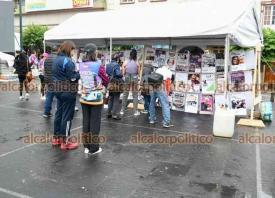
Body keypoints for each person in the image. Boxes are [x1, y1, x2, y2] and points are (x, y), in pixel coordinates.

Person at [52, 41, 80, 150]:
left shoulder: (56, 59)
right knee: (67, 116)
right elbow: (72, 77)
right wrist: (79, 74)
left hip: (57, 90)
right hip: (68, 91)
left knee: (59, 113)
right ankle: (65, 141)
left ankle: (56, 138)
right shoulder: (68, 61)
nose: (74, 52)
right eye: (73, 49)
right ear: (69, 49)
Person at [79, 43, 106, 155]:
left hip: (84, 97)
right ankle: (94, 148)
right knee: (95, 122)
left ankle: (86, 146)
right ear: (94, 52)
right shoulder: (98, 65)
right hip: (96, 98)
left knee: (86, 121)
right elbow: (105, 79)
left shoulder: (80, 65)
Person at [121, 49, 140, 116]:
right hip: (134, 77)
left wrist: (124, 75)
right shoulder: (137, 62)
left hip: (127, 77)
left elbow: (123, 70)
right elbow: (138, 72)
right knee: (135, 95)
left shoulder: (126, 61)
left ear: (130, 54)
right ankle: (135, 111)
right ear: (136, 55)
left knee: (125, 94)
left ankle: (122, 110)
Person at [106, 53, 123, 120]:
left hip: (110, 83)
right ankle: (114, 115)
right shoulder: (116, 65)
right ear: (117, 59)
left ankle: (108, 113)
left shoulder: (107, 65)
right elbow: (118, 74)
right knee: (116, 99)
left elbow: (107, 73)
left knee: (110, 98)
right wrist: (121, 74)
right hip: (116, 83)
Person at [43, 46, 58, 118]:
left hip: (48, 80)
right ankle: (58, 112)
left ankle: (46, 112)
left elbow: (45, 69)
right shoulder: (58, 58)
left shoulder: (47, 58)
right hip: (56, 80)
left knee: (49, 97)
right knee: (59, 97)